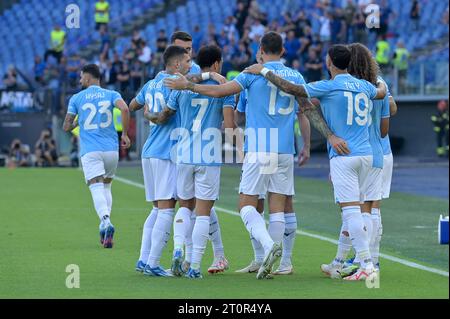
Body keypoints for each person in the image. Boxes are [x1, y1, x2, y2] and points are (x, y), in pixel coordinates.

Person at [165, 31, 346, 279]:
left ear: (260, 49)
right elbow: (305, 111)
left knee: (246, 204)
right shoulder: (294, 76)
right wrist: (307, 144)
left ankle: (269, 248)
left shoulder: (251, 73)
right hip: (284, 147)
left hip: (260, 145)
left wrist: (190, 85)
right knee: (278, 207)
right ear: (283, 51)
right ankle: (280, 262)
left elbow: (221, 91)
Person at [243, 44, 387, 281]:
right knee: (362, 209)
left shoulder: (328, 86)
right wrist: (381, 83)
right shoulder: (364, 86)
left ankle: (366, 264)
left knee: (351, 210)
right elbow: (381, 93)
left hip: (344, 155)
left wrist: (263, 71)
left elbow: (290, 88)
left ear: (330, 62)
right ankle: (351, 262)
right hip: (367, 155)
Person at [146, 45, 237, 279]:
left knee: (184, 207)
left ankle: (178, 248)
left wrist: (149, 115)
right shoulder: (224, 88)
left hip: (183, 155)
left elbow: (164, 116)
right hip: (208, 156)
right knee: (203, 214)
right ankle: (194, 267)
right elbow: (229, 127)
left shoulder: (180, 86)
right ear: (217, 64)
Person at [128, 46, 192, 277]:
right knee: (166, 209)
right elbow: (166, 117)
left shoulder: (151, 84)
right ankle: (153, 264)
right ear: (176, 64)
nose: (189, 64)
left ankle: (143, 259)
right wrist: (153, 116)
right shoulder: (176, 84)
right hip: (166, 152)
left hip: (149, 151)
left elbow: (132, 104)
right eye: (187, 60)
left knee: (156, 209)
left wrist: (145, 113)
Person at [339, 43, 397, 277]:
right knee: (371, 206)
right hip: (381, 151)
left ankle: (367, 261)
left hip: (363, 152)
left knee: (361, 207)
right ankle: (368, 258)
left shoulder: (347, 86)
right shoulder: (378, 83)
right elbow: (392, 108)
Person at [62, 64, 131, 248]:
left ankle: (105, 221)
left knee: (96, 186)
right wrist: (124, 134)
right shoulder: (111, 94)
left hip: (91, 150)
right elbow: (125, 109)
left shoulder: (77, 98)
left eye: (81, 77)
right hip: (111, 150)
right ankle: (104, 228)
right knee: (107, 186)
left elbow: (66, 127)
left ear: (88, 77)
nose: (79, 80)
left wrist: (79, 120)